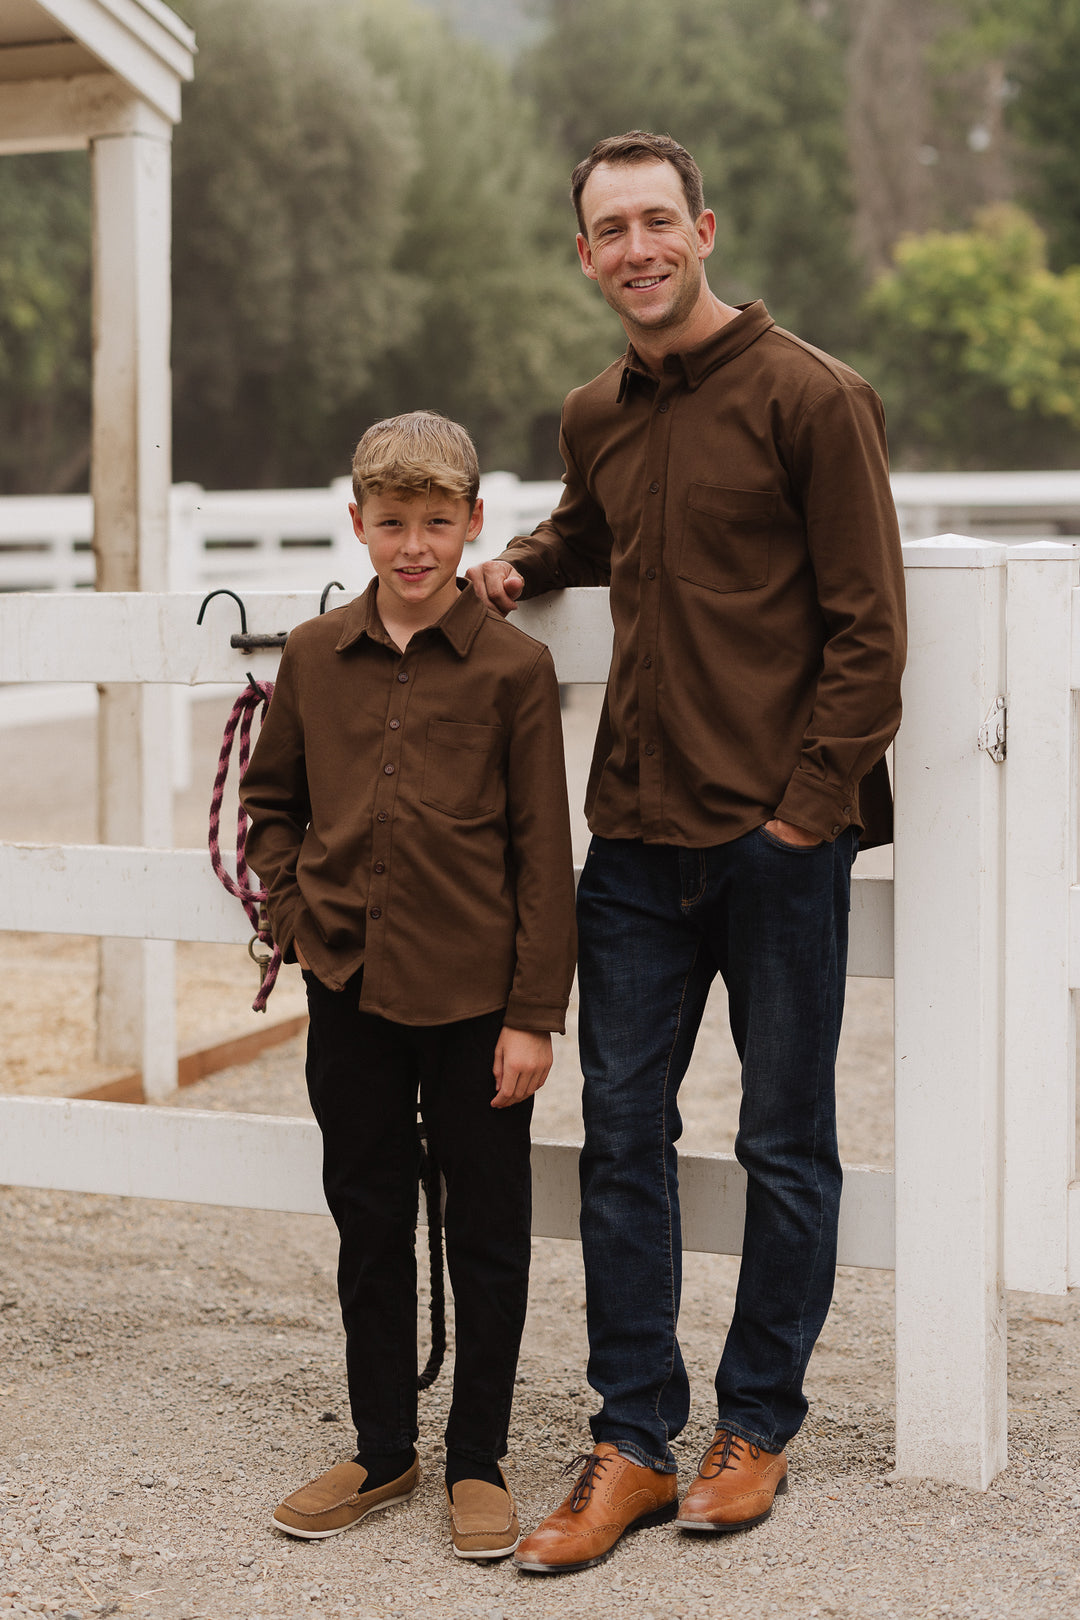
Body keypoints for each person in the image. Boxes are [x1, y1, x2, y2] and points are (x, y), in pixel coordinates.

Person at [467, 131, 907, 1574]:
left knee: (785, 1146)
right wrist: (529, 560)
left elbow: (868, 628)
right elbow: (604, 526)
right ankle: (632, 1444)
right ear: (584, 255)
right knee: (620, 1144)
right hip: (636, 848)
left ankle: (757, 1426)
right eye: (612, 229)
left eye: (661, 219)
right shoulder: (597, 409)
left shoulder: (814, 397)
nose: (640, 247)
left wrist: (806, 813)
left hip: (778, 841)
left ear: (704, 228)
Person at [241, 410, 576, 1562]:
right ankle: (384, 1448)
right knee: (369, 1217)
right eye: (393, 523)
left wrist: (536, 1015)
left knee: (487, 1229)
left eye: (439, 523)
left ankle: (477, 1458)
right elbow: (270, 803)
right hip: (349, 989)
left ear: (475, 523)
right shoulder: (313, 656)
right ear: (359, 525)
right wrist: (293, 912)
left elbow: (544, 853)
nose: (416, 545)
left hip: (480, 1001)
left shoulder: (515, 672)